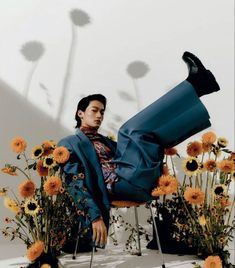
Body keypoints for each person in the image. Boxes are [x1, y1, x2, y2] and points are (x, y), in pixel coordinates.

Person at [58, 51, 220, 249]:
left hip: (136, 181)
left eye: (102, 111)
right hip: (120, 185)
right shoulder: (68, 144)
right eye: (94, 110)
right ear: (80, 113)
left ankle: (198, 85)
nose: (100, 115)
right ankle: (198, 84)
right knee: (129, 131)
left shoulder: (105, 142)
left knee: (147, 136)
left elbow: (133, 153)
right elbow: (74, 184)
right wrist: (94, 216)